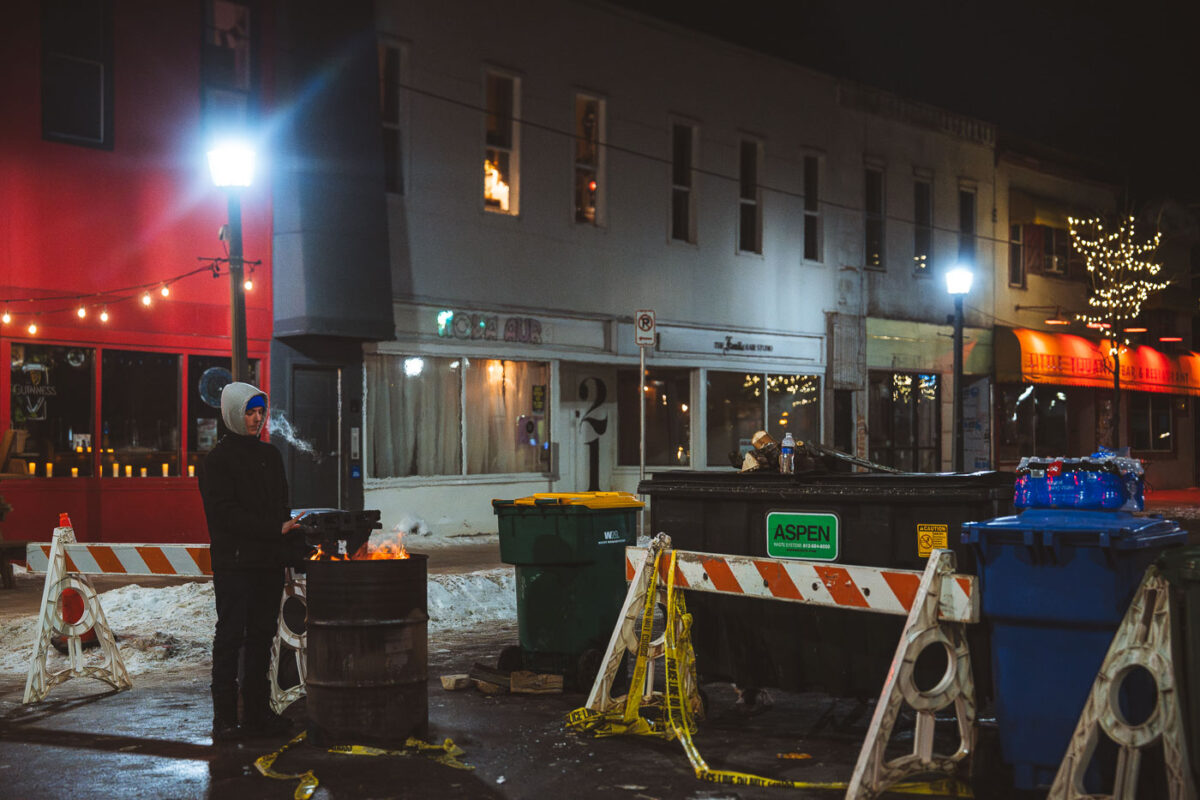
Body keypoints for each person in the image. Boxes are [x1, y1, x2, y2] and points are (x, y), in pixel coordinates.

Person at [198, 381, 303, 741]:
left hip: (266, 563)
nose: (257, 419)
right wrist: (276, 528)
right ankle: (225, 716)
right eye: (249, 412)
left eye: (260, 412)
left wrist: (286, 543)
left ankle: (257, 712)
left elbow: (281, 507)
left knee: (262, 637)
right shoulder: (217, 461)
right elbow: (226, 516)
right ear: (231, 414)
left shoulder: (270, 456)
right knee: (230, 637)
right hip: (235, 564)